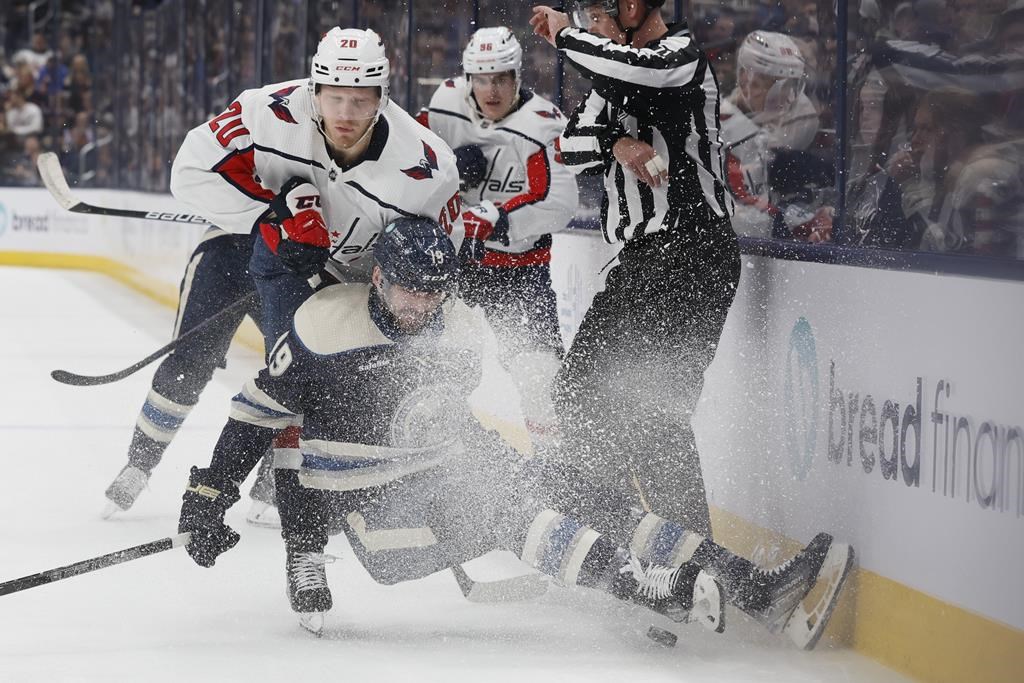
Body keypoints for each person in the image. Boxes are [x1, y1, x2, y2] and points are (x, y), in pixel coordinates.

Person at [176, 215, 854, 649]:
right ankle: (642, 584)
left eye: (434, 292)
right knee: (496, 503)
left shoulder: (458, 328)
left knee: (585, 492)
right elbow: (252, 419)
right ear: (377, 277)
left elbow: (446, 418)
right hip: (367, 516)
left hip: (434, 473)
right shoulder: (324, 326)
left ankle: (754, 586)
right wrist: (209, 494)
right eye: (409, 290)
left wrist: (497, 454)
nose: (421, 306)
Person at [102, 27, 463, 525]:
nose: (344, 114)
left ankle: (277, 482)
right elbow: (188, 173)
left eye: (360, 101)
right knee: (190, 359)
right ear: (314, 89)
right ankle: (138, 465)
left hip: (323, 274)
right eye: (334, 97)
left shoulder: (427, 166)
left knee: (299, 375)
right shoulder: (264, 111)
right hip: (234, 248)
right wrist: (270, 214)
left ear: (383, 96)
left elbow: (428, 264)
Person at [529, 1, 738, 540]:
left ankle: (681, 560)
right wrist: (616, 142)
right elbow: (571, 144)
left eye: (597, 16)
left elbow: (643, 74)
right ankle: (654, 552)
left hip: (690, 254)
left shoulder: (679, 58)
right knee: (598, 399)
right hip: (649, 261)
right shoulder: (613, 76)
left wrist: (564, 37)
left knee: (647, 411)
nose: (592, 28)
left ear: (630, 7)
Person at [414, 26, 579, 450]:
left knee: (540, 378)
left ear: (517, 76)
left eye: (502, 78)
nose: (492, 89)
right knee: (431, 372)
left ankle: (559, 474)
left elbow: (559, 201)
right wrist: (447, 166)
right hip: (455, 270)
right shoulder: (444, 106)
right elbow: (405, 160)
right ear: (468, 77)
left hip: (519, 274)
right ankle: (440, 458)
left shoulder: (542, 124)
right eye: (482, 79)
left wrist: (498, 216)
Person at [720, 30, 833, 241]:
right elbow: (741, 220)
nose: (788, 97)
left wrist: (810, 217)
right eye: (781, 86)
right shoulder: (722, 134)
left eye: (794, 86)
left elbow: (774, 198)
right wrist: (794, 224)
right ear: (747, 82)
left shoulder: (784, 123)